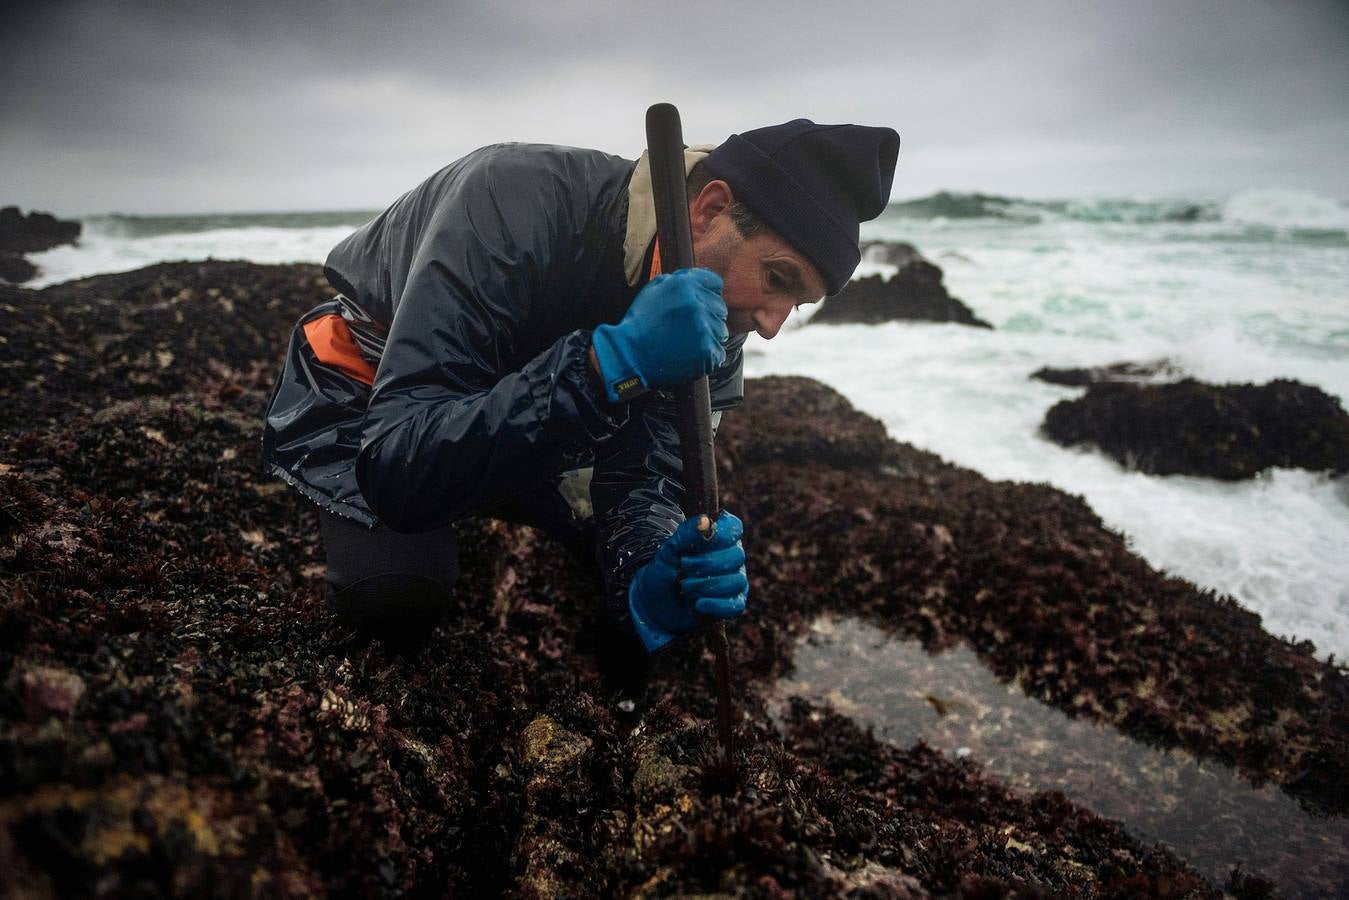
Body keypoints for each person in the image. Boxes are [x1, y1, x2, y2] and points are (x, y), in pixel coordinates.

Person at [261, 119, 899, 695]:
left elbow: (646, 477)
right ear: (710, 209)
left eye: (797, 304)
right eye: (779, 279)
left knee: (640, 629)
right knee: (396, 599)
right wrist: (608, 367)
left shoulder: (719, 322)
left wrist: (654, 577)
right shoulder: (510, 195)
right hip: (373, 383)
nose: (770, 327)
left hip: (527, 415)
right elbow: (400, 466)